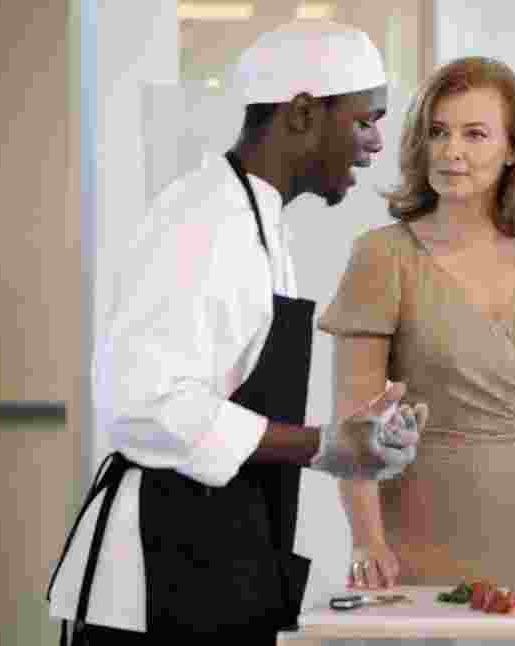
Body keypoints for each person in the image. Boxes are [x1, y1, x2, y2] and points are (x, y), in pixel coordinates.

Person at [47, 21, 427, 644]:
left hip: (221, 563)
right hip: (155, 580)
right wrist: (322, 445)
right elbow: (146, 402)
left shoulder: (259, 220)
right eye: (364, 120)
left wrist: (350, 440)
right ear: (303, 114)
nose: (375, 144)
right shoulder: (204, 220)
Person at [318, 56, 515, 591]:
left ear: (513, 152)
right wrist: (367, 542)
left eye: (475, 134)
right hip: (427, 538)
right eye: (438, 132)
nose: (451, 150)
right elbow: (353, 422)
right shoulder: (382, 257)